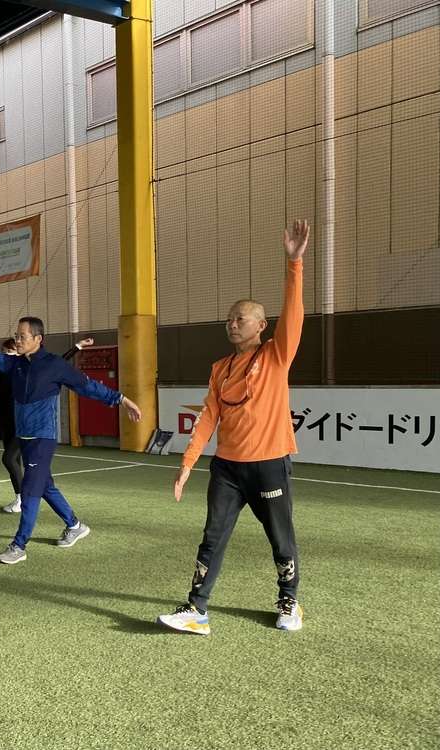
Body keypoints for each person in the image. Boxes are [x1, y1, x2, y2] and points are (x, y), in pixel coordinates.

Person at [158, 220, 310, 636]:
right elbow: (208, 417)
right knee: (212, 537)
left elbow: (294, 316)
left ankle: (289, 600)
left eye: (240, 318)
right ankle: (197, 610)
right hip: (226, 469)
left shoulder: (275, 355)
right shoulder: (220, 368)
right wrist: (188, 463)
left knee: (280, 537)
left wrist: (294, 264)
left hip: (269, 465)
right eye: (229, 319)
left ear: (261, 325)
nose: (232, 323)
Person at [0, 320, 141, 564]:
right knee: (45, 486)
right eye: (16, 335)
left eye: (23, 336)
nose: (18, 340)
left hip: (42, 438)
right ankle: (75, 525)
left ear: (38, 339)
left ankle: (19, 545)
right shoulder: (16, 363)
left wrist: (121, 399)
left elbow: (88, 386)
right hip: (24, 437)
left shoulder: (54, 365)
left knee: (30, 490)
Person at [0, 337, 93, 512]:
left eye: (10, 351)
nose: (6, 355)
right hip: (6, 422)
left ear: (18, 352)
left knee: (9, 459)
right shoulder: (3, 368)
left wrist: (77, 347)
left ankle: (25, 498)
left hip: (22, 423)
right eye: (4, 352)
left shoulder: (28, 369)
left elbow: (57, 363)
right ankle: (20, 498)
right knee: (15, 460)